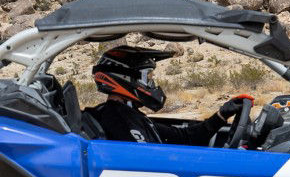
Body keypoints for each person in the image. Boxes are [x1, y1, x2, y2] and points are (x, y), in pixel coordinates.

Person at [79, 45, 253, 146]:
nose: (152, 84)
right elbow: (145, 162)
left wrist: (221, 115)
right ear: (126, 78)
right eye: (148, 77)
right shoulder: (117, 120)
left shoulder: (129, 115)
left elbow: (184, 137)